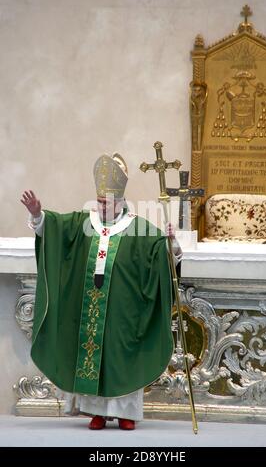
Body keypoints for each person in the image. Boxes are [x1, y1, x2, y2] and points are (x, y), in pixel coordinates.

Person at [21, 153, 182, 430]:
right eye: (99, 202)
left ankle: (126, 414)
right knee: (93, 351)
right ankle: (96, 412)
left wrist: (170, 242)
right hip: (90, 304)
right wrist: (38, 214)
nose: (101, 206)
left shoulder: (138, 228)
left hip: (124, 309)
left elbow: (161, 254)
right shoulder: (85, 223)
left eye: (106, 203)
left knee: (120, 355)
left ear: (120, 202)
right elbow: (57, 228)